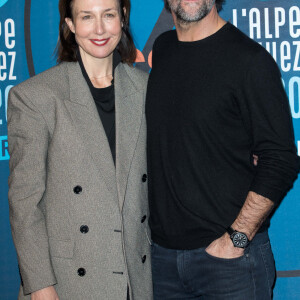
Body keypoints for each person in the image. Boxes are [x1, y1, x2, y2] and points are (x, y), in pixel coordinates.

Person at [146, 0, 300, 299]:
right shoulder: (163, 48)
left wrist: (237, 238)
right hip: (162, 262)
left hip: (230, 265)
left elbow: (280, 158)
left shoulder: (249, 60)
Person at [7, 0, 152, 299]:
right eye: (87, 17)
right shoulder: (36, 97)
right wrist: (40, 286)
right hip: (65, 283)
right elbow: (25, 203)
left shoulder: (147, 90)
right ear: (70, 25)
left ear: (123, 18)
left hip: (134, 280)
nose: (99, 29)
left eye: (108, 15)